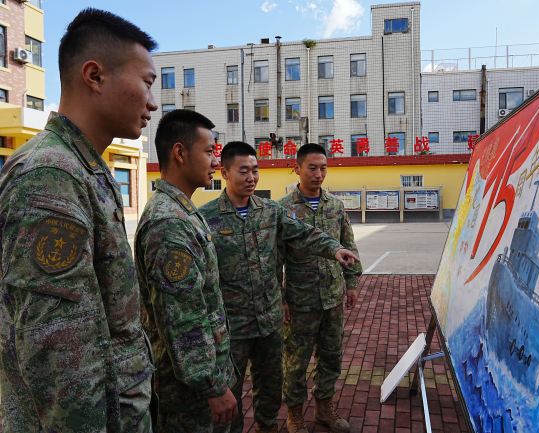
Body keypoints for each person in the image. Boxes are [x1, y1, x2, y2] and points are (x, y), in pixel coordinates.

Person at [0, 8, 157, 433]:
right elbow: (58, 352)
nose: (153, 102)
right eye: (146, 83)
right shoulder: (50, 174)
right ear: (95, 75)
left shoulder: (86, 167)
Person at [198, 141, 359, 433]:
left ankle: (269, 426)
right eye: (243, 171)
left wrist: (335, 250)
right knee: (231, 388)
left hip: (268, 321)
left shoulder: (270, 212)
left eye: (256, 171)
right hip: (232, 324)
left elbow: (307, 234)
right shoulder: (206, 217)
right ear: (225, 172)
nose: (251, 178)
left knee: (271, 385)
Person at [135, 109, 238, 432]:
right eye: (209, 152)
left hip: (201, 377)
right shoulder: (169, 224)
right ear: (180, 153)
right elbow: (183, 321)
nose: (215, 162)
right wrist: (212, 387)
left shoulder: (182, 210)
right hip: (188, 393)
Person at [279, 143, 363, 433]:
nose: (318, 173)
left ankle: (324, 410)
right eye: (312, 168)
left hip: (332, 297)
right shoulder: (284, 209)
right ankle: (295, 414)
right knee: (296, 361)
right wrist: (281, 298)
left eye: (323, 168)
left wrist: (351, 283)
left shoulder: (335, 206)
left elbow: (348, 244)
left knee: (331, 356)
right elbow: (276, 258)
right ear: (297, 168)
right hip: (300, 299)